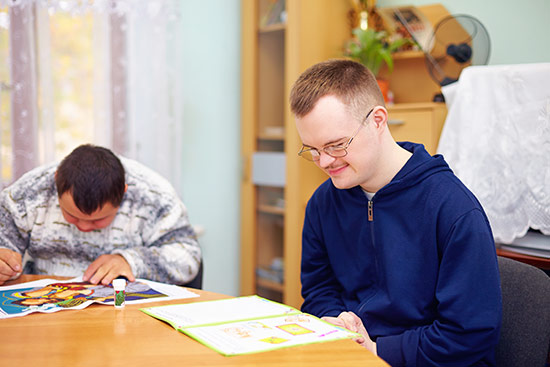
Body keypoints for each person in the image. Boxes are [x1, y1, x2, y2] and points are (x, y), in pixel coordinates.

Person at [289, 59, 501, 366]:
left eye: (335, 145)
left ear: (377, 120)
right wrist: (336, 324)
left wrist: (378, 351)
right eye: (312, 149)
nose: (323, 162)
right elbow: (319, 288)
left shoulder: (453, 209)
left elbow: (470, 333)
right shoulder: (324, 203)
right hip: (349, 354)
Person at [0, 144, 201, 286]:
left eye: (98, 220)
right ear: (56, 183)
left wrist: (131, 261)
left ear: (123, 192)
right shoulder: (28, 193)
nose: (84, 227)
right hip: (44, 314)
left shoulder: (153, 194)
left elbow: (188, 255)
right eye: (72, 215)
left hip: (128, 315)